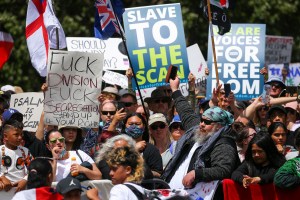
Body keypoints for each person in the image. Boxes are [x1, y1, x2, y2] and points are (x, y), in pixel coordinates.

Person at [161, 76, 239, 190]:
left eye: (207, 122)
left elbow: (223, 169)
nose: (201, 124)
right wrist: (175, 89)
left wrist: (196, 174)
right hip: (171, 192)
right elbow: (186, 111)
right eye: (202, 120)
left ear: (219, 125)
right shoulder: (196, 130)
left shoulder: (224, 143)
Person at [123, 113, 163, 177]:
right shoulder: (119, 146)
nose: (134, 127)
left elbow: (158, 173)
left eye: (137, 124)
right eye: (130, 124)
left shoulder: (151, 149)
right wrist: (134, 150)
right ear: (125, 126)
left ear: (144, 127)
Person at [0, 120, 32, 193]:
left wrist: (25, 180)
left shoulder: (25, 151)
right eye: (16, 134)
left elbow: (33, 168)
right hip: (4, 193)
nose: (20, 137)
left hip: (21, 190)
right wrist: (2, 177)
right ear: (5, 136)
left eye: (21, 134)